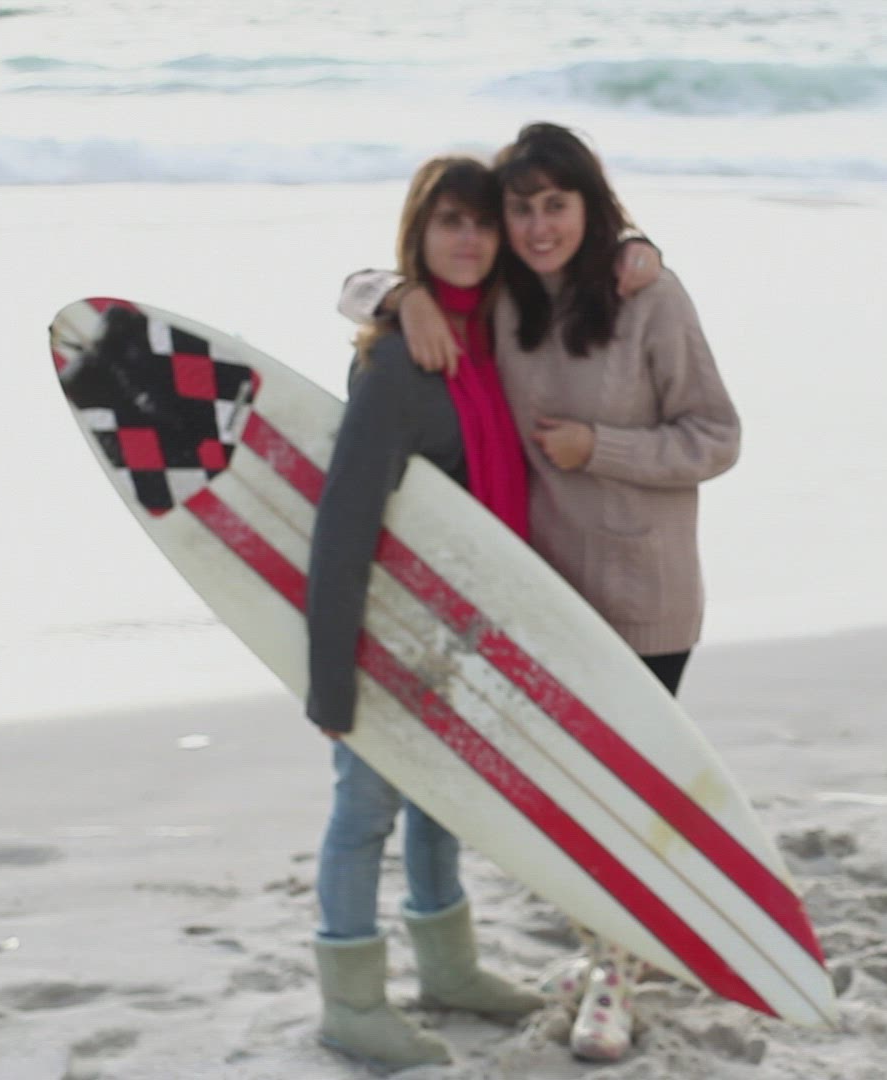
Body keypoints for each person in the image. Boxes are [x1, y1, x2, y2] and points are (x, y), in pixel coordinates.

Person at [339, 121, 741, 1061]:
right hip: (545, 599)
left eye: (556, 204)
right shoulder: (505, 302)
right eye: (521, 208)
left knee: (625, 797)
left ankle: (615, 975)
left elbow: (716, 437)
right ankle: (608, 948)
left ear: (590, 207)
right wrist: (400, 295)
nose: (537, 225)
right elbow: (358, 283)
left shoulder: (649, 296)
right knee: (567, 803)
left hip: (644, 600)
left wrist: (598, 448)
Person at [304, 155, 544, 1071]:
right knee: (365, 810)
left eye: (482, 222)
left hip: (460, 631)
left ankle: (448, 971)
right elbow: (343, 521)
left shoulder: (492, 345)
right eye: (451, 222)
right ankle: (351, 1003)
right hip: (385, 631)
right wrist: (332, 677)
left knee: (443, 801)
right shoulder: (399, 361)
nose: (470, 239)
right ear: (420, 232)